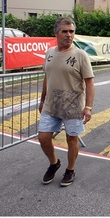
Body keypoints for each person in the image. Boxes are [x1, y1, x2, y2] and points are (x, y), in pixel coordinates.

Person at [38, 17, 95, 187]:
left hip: (73, 106)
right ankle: (54, 163)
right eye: (65, 31)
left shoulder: (80, 55)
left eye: (71, 31)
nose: (69, 35)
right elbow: (47, 76)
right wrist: (42, 99)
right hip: (51, 105)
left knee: (72, 139)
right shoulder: (49, 53)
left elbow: (89, 82)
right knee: (43, 138)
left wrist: (88, 107)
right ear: (56, 33)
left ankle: (70, 170)